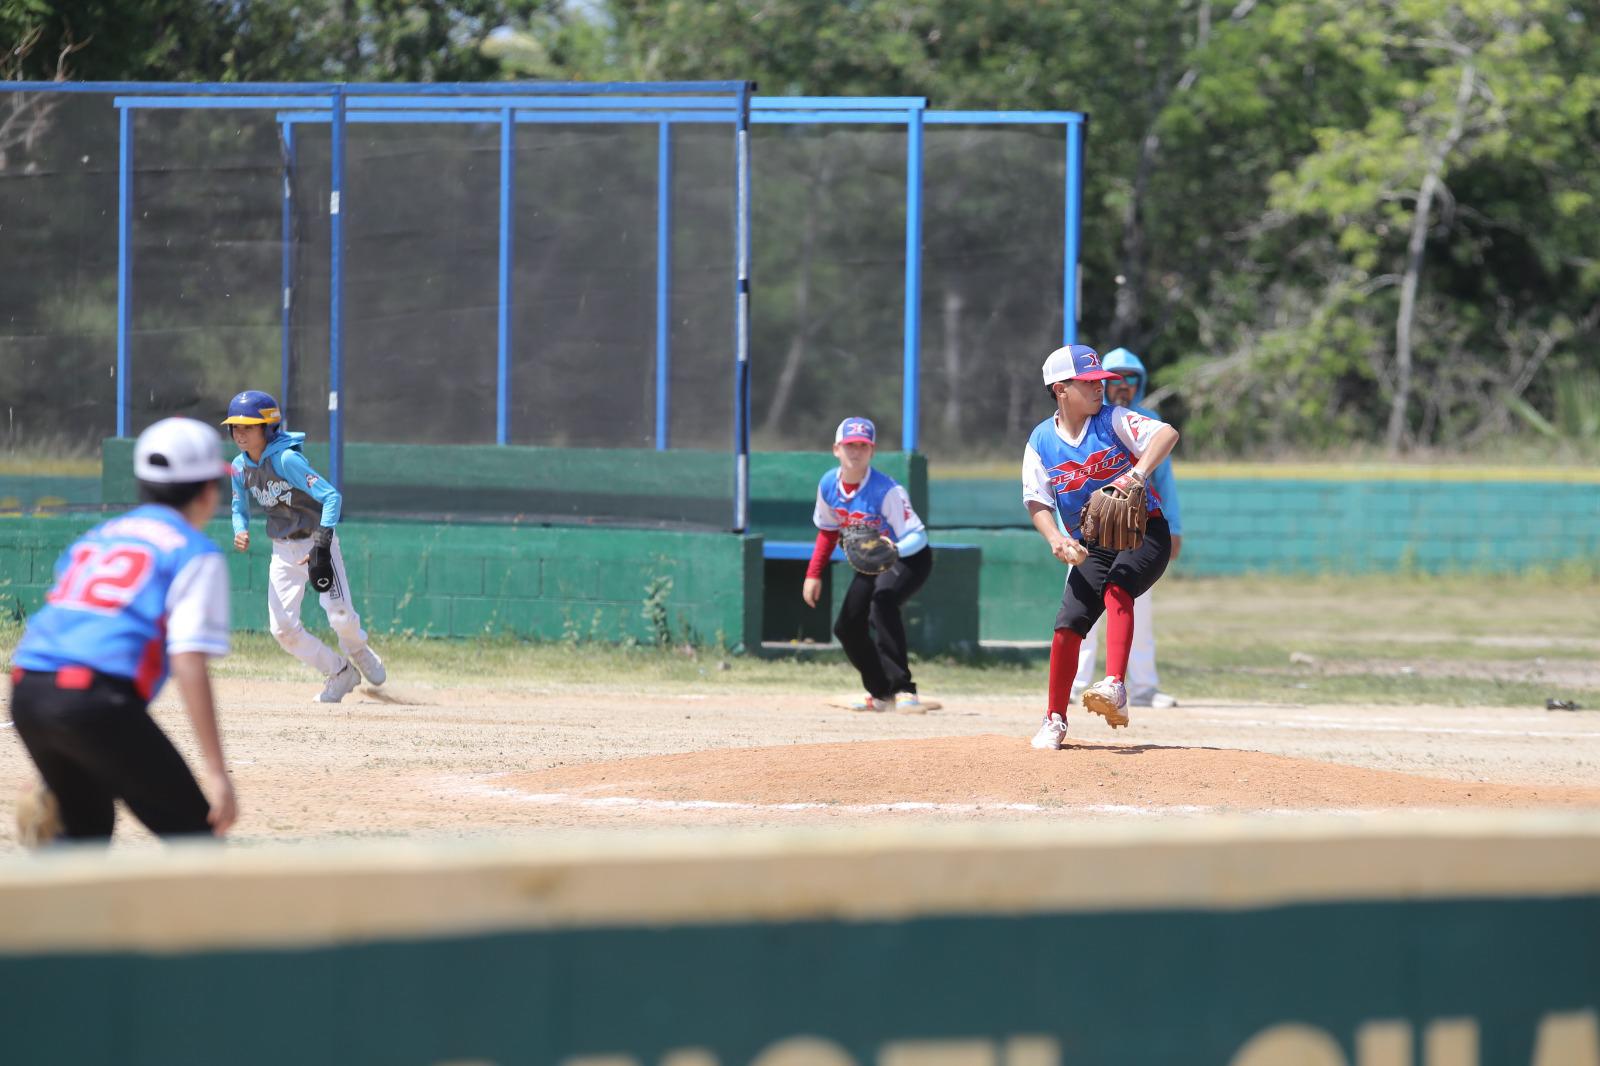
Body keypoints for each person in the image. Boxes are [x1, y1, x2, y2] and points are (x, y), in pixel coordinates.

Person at [9, 417, 238, 844]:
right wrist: (215, 773)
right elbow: (187, 660)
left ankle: (53, 908)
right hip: (97, 702)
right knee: (196, 839)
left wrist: (54, 755)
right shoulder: (194, 552)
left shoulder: (97, 538)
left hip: (26, 690)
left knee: (86, 829)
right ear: (209, 492)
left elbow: (60, 635)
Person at [1021, 345, 1179, 749]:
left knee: (1118, 586)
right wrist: (1057, 538)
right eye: (1089, 383)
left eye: (1100, 382)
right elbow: (1037, 501)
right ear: (1061, 389)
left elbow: (1166, 433)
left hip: (1145, 530)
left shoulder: (1113, 420)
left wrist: (1138, 475)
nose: (1100, 389)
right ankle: (1054, 719)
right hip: (1091, 543)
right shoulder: (1041, 441)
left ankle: (1115, 685)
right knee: (1067, 624)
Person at [223, 390, 385, 704]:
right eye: (235, 426)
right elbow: (238, 508)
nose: (239, 433)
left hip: (315, 541)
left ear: (268, 428)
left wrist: (322, 544)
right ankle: (340, 672)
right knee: (282, 629)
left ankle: (357, 648)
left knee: (339, 615)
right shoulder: (240, 467)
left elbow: (331, 497)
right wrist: (240, 529)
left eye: (248, 426)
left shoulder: (286, 459)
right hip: (282, 550)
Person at [1071, 347, 1183, 709]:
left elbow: (1164, 481)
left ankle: (1144, 687)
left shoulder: (1148, 420)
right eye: (1116, 377)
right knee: (1082, 605)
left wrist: (1175, 527)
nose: (1124, 385)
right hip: (1092, 529)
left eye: (1132, 378)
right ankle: (1076, 683)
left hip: (1138, 529)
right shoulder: (1089, 420)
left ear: (1140, 384)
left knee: (1138, 607)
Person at [802, 416, 934, 713]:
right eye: (850, 445)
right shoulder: (828, 485)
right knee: (847, 626)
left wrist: (894, 547)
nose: (856, 451)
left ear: (872, 451)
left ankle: (903, 689)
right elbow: (828, 531)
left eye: (863, 445)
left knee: (882, 601)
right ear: (837, 448)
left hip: (909, 557)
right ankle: (881, 691)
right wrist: (813, 574)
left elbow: (918, 536)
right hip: (874, 563)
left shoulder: (885, 490)